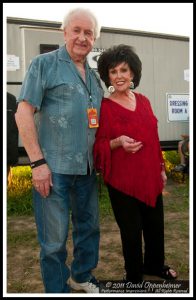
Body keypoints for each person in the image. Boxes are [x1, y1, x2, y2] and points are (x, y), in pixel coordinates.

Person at [15, 8, 103, 293]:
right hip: (53, 171)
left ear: (94, 38)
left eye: (88, 32)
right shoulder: (44, 64)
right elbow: (23, 112)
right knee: (53, 241)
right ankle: (57, 290)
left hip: (87, 170)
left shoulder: (94, 77)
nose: (82, 37)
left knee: (89, 230)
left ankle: (81, 276)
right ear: (64, 32)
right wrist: (37, 163)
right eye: (76, 30)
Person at [93, 44, 177, 283]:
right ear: (107, 76)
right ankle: (133, 275)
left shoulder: (144, 101)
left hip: (149, 176)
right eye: (113, 71)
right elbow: (97, 146)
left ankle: (155, 265)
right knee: (131, 232)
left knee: (155, 226)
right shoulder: (104, 107)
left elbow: (153, 138)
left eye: (123, 70)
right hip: (122, 181)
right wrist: (117, 142)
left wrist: (161, 169)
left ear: (133, 74)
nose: (119, 76)